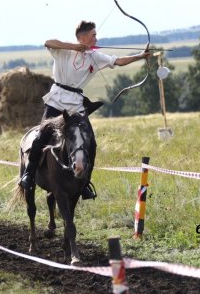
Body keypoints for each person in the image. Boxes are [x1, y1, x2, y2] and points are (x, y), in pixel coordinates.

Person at [19, 20, 150, 199]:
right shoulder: (64, 50)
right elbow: (48, 42)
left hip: (76, 105)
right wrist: (75, 47)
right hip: (56, 100)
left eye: (96, 35)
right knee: (42, 137)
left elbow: (118, 61)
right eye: (93, 35)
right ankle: (29, 174)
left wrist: (141, 56)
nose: (96, 38)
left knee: (90, 142)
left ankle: (85, 183)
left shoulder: (95, 56)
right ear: (83, 37)